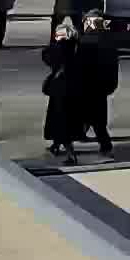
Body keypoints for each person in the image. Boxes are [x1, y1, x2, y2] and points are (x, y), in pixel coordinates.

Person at [75, 10, 118, 157]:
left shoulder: (87, 41)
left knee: (93, 116)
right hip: (102, 85)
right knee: (94, 115)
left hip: (89, 84)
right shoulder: (107, 40)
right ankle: (84, 134)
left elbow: (79, 63)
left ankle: (105, 144)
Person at [42, 20, 82, 164]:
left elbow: (46, 56)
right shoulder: (76, 48)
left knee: (61, 123)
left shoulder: (60, 49)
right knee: (62, 122)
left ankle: (71, 155)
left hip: (61, 91)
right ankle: (56, 146)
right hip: (72, 91)